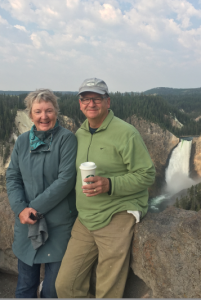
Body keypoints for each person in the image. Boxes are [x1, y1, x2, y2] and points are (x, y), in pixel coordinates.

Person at [56, 78, 155, 298]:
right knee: (65, 285)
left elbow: (147, 174)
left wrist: (109, 184)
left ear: (107, 102)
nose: (91, 103)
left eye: (97, 98)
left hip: (117, 213)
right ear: (79, 103)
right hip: (85, 218)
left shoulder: (126, 133)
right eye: (85, 98)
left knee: (107, 290)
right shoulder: (80, 134)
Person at [6, 89, 77, 298]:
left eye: (48, 110)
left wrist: (33, 208)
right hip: (27, 224)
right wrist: (20, 209)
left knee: (52, 290)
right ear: (30, 115)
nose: (43, 116)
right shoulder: (21, 142)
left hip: (58, 226)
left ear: (56, 112)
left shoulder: (67, 140)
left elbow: (65, 181)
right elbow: (13, 177)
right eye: (38, 111)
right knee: (25, 286)